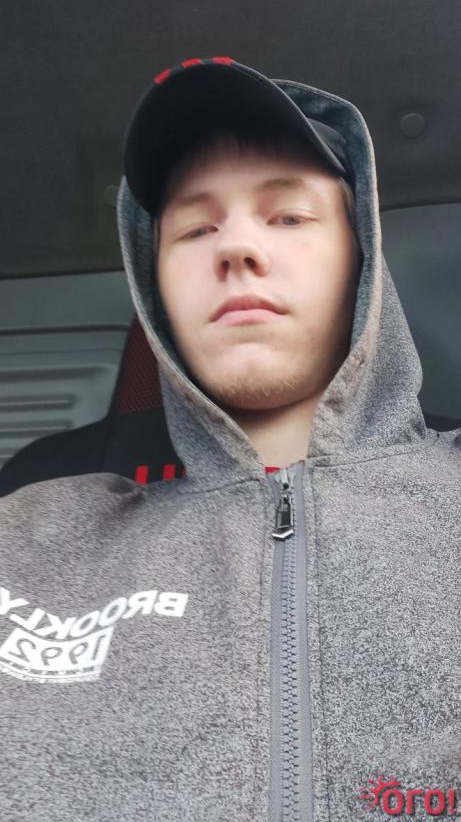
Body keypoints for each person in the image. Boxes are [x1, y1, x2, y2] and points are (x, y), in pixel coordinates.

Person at [0, 55, 460, 822]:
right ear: (155, 287)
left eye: (288, 217)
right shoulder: (29, 535)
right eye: (195, 228)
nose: (234, 247)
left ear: (360, 260)